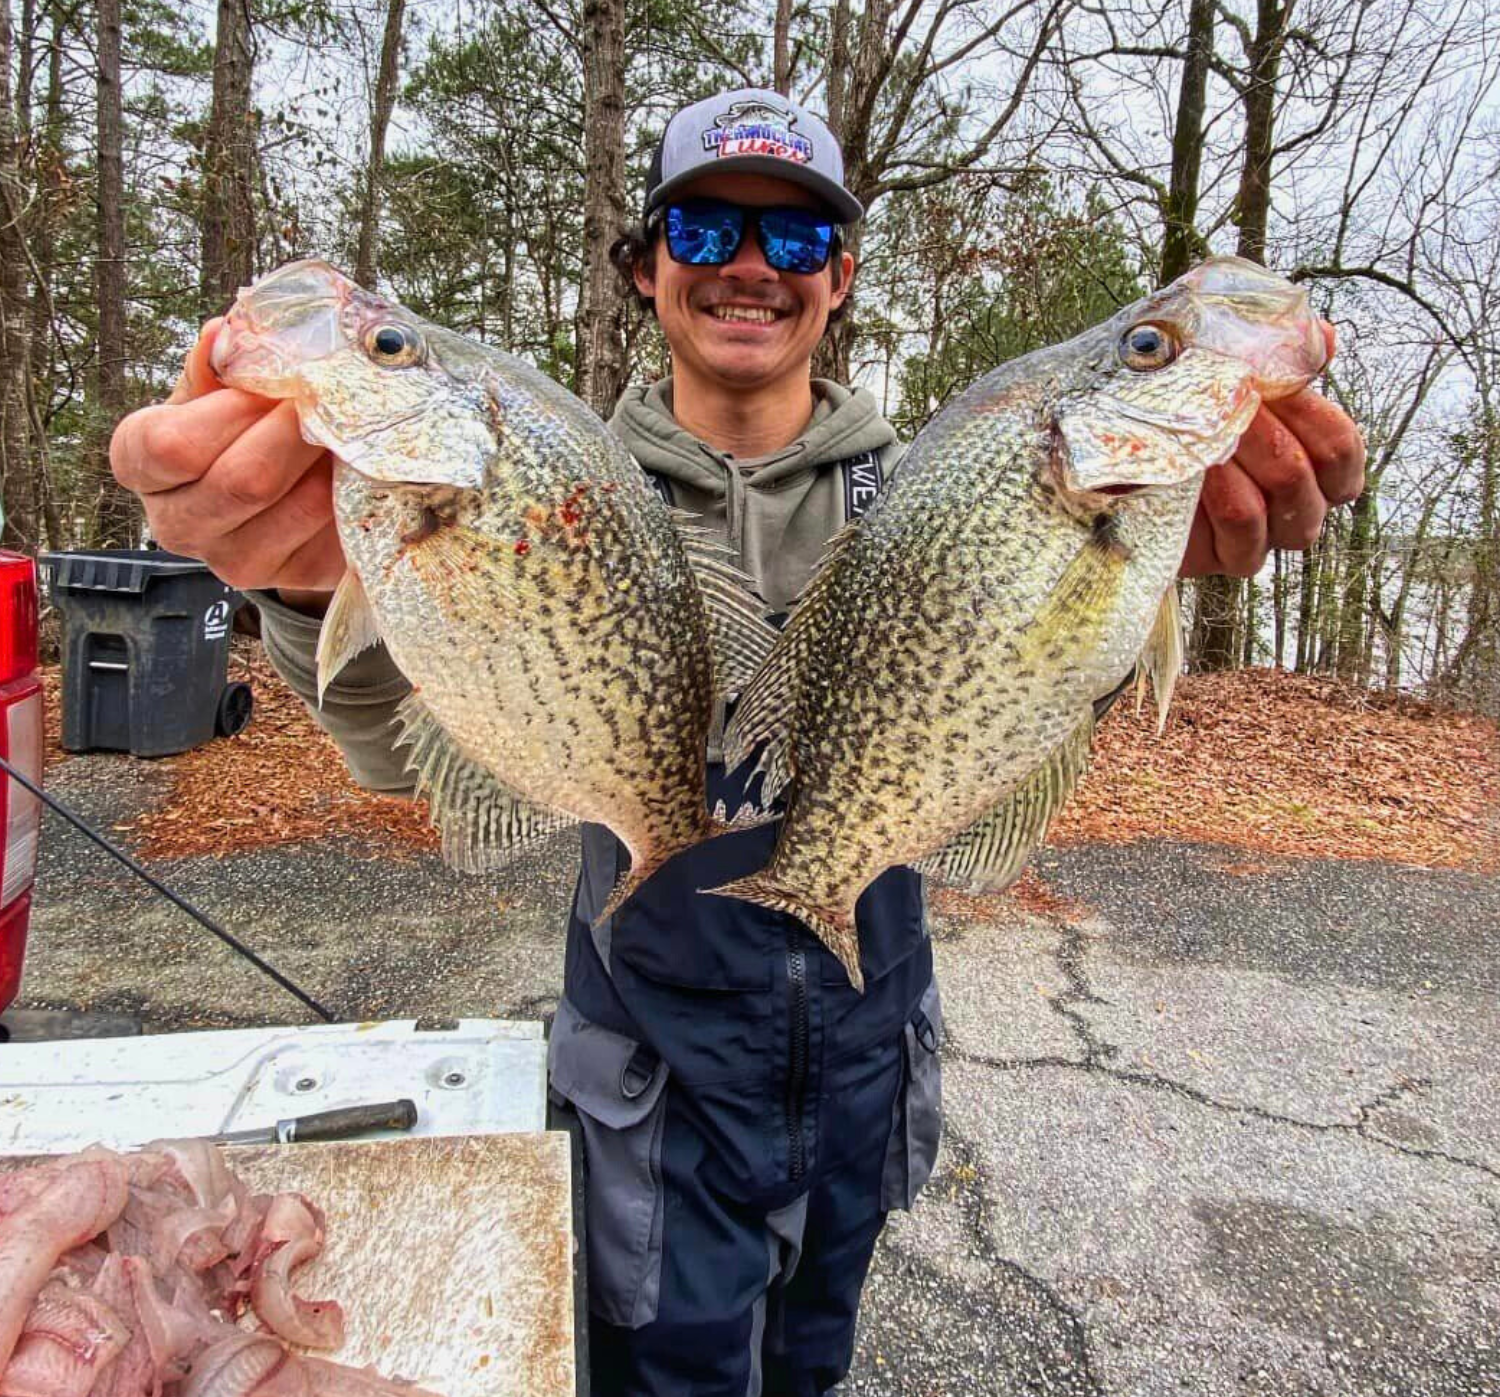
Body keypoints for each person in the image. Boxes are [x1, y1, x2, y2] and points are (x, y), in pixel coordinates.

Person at [110, 87, 1366, 1395]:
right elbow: (397, 740)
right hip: (651, 1054)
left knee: (812, 1357)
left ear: (842, 278)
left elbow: (1021, 702)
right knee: (667, 1368)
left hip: (869, 1044)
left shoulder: (942, 478)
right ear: (648, 268)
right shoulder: (559, 476)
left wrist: (1135, 594)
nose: (753, 266)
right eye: (708, 232)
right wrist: (307, 587)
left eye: (797, 238)